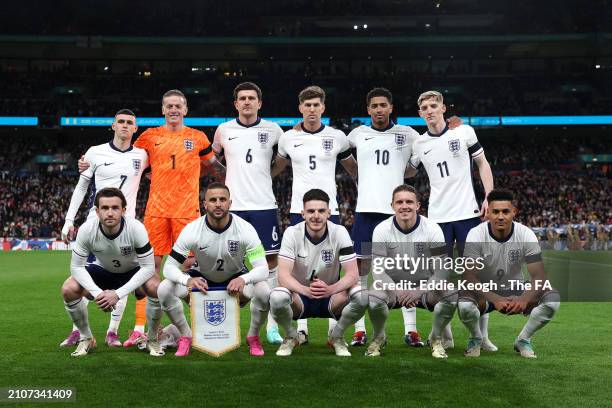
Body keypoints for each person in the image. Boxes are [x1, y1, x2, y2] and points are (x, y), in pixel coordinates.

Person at [79, 90, 224, 348]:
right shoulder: (149, 137)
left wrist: (209, 176)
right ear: (162, 109)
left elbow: (213, 165)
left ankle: (198, 329)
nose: (174, 110)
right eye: (169, 106)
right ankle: (140, 330)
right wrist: (86, 164)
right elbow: (129, 160)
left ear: (186, 110)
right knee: (149, 272)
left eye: (178, 106)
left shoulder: (198, 137)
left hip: (187, 213)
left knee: (192, 269)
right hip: (156, 212)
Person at [407, 90, 495, 351]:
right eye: (425, 107)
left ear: (443, 108)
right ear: (420, 113)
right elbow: (409, 170)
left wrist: (489, 196)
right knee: (437, 280)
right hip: (437, 220)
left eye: (434, 105)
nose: (430, 110)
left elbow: (483, 164)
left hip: (468, 215)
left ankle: (482, 336)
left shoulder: (463, 132)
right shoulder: (419, 144)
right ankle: (445, 336)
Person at [272, 85, 356, 344]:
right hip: (299, 209)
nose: (311, 109)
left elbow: (353, 168)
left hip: (329, 212)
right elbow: (275, 167)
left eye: (316, 105)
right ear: (300, 108)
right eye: (307, 105)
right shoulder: (288, 138)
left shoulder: (338, 137)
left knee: (333, 267)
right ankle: (302, 327)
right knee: (298, 268)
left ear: (323, 107)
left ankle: (334, 326)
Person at [59, 109, 149, 349]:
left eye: (130, 123)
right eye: (120, 122)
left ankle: (112, 332)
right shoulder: (95, 153)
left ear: (135, 128)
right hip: (93, 226)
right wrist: (69, 220)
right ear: (112, 125)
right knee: (81, 277)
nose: (124, 126)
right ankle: (79, 331)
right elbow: (81, 187)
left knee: (121, 279)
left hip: (126, 229)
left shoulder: (143, 155)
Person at [157, 183, 271, 357]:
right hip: (201, 283)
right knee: (164, 288)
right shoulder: (192, 230)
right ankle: (186, 336)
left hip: (235, 282)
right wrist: (187, 280)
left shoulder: (245, 229)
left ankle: (253, 336)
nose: (218, 204)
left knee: (263, 289)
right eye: (213, 200)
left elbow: (263, 268)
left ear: (230, 203)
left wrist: (243, 279)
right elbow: (169, 268)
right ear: (205, 204)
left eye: (222, 199)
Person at [347, 87, 423, 347]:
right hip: (366, 211)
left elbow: (414, 167)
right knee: (361, 271)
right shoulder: (357, 134)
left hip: (396, 213)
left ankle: (411, 330)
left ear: (391, 108)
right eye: (374, 106)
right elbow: (342, 155)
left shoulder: (409, 134)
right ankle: (359, 329)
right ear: (368, 109)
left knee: (405, 268)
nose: (379, 109)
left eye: (383, 105)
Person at [212, 82, 284, 345]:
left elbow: (283, 159)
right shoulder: (224, 130)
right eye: (242, 98)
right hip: (235, 207)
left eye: (251, 98)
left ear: (259, 103)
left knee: (271, 262)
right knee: (228, 263)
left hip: (264, 205)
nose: (247, 102)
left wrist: (267, 175)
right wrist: (229, 176)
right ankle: (225, 327)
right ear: (235, 104)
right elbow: (214, 159)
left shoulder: (274, 130)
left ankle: (272, 327)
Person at [60, 188, 162, 357]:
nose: (110, 213)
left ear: (123, 210)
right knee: (68, 288)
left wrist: (118, 294)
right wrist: (98, 294)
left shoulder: (136, 228)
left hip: (132, 271)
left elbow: (148, 267)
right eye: (105, 208)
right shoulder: (87, 230)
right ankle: (86, 338)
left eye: (115, 208)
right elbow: (76, 267)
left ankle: (152, 339)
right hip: (103, 271)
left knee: (157, 287)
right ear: (97, 211)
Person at [458, 189, 560, 358]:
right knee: (465, 304)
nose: (500, 216)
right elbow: (469, 277)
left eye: (505, 211)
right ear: (488, 213)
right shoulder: (476, 234)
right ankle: (477, 338)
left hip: (516, 288)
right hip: (486, 291)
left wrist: (524, 298)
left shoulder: (525, 233)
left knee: (552, 300)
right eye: (495, 212)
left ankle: (523, 340)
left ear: (514, 212)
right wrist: (494, 298)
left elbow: (539, 276)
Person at [270, 189, 368, 357]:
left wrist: (330, 289)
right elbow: (283, 276)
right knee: (276, 296)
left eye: (321, 211)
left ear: (329, 213)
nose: (316, 215)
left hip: (331, 297)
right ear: (302, 214)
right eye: (311, 211)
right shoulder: (292, 233)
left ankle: (337, 336)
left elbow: (353, 274)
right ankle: (291, 336)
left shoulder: (339, 232)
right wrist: (306, 290)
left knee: (362, 295)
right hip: (300, 298)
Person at [367, 185, 457, 358]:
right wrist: (398, 291)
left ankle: (436, 338)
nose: (404, 206)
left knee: (450, 294)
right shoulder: (381, 229)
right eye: (399, 202)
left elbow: (441, 272)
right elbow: (378, 272)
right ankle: (379, 337)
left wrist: (419, 290)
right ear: (392, 205)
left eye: (409, 201)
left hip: (424, 289)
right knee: (373, 296)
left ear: (418, 205)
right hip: (393, 289)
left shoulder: (432, 228)